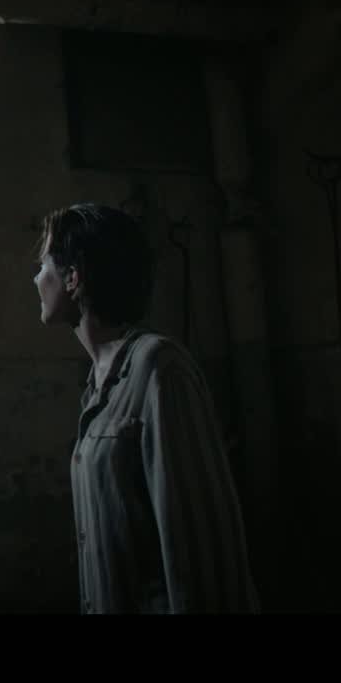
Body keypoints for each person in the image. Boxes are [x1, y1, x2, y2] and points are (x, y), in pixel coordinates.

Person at [33, 203, 258, 613]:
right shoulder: (97, 387)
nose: (36, 279)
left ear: (73, 278)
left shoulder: (159, 368)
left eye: (44, 265)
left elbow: (201, 540)